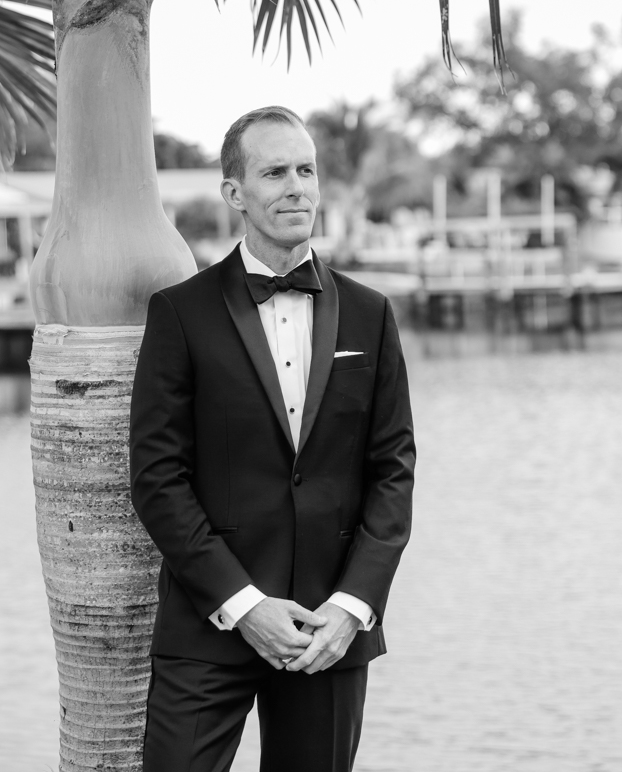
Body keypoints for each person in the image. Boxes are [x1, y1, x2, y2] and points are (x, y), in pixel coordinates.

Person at [130, 105, 415, 772]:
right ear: (235, 193)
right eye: (275, 172)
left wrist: (353, 606)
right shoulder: (180, 314)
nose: (296, 188)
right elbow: (157, 477)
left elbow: (393, 471)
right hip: (211, 625)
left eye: (306, 171)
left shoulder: (371, 313)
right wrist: (244, 605)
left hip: (328, 632)